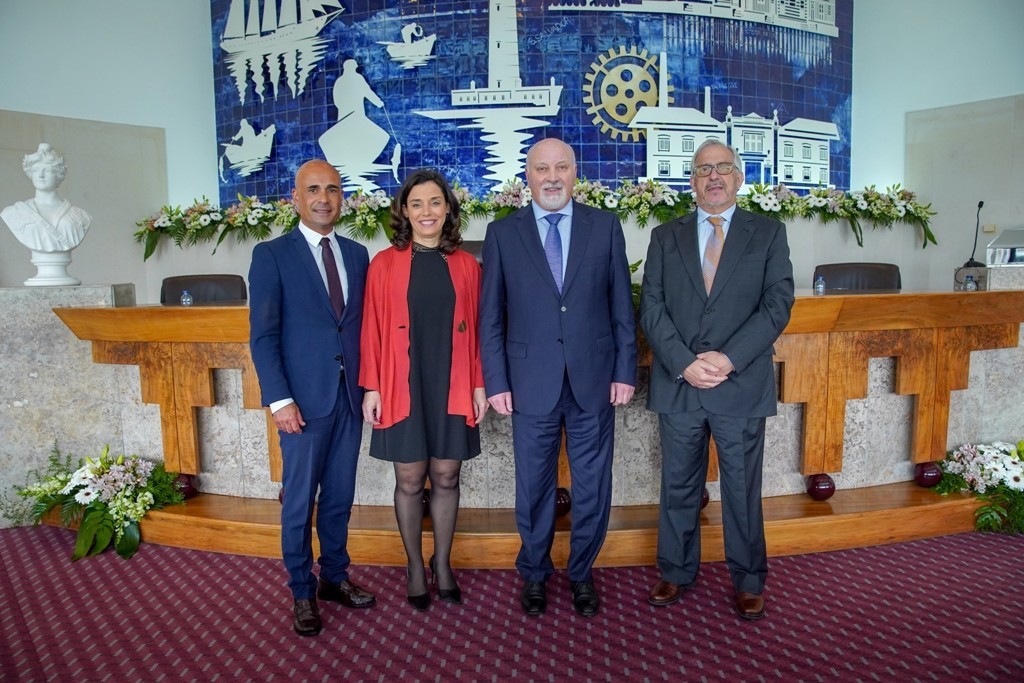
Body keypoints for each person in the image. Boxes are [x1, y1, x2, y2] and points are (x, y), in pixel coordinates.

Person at [479, 138, 637, 617]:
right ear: (526, 175)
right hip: (529, 383)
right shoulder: (503, 233)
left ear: (575, 172)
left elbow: (620, 308)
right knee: (533, 487)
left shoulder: (605, 227)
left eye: (561, 167)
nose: (552, 176)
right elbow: (491, 317)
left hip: (594, 379)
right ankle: (534, 573)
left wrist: (625, 369)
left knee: (593, 485)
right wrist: (497, 380)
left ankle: (582, 574)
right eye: (542, 168)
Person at [639, 139, 794, 620]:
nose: (713, 177)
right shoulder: (666, 236)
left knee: (742, 488)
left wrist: (727, 360)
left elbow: (777, 305)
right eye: (703, 169)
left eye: (722, 168)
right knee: (678, 486)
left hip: (740, 383)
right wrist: (685, 362)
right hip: (680, 382)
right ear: (691, 180)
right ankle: (676, 571)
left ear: (739, 176)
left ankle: (749, 579)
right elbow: (653, 307)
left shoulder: (768, 233)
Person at [249, 159, 375, 636]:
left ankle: (335, 578)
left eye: (334, 189)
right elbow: (263, 336)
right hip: (301, 403)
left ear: (343, 198)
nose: (324, 198)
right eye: (314, 189)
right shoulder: (272, 254)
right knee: (299, 501)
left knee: (340, 497)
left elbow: (363, 328)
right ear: (296, 198)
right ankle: (302, 590)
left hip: (348, 397)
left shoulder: (358, 254)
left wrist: (370, 387)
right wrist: (279, 400)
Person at [359, 169, 487, 611]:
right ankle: (415, 565)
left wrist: (478, 383)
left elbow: (479, 333)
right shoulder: (384, 264)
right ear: (405, 211)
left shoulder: (469, 266)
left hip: (451, 381)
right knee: (410, 479)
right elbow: (371, 330)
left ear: (448, 208)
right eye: (417, 204)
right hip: (401, 382)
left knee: (448, 475)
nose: (426, 211)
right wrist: (372, 387)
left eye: (435, 202)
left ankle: (443, 563)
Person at [1, 143, 91, 253]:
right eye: (36, 170)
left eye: (48, 171)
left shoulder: (80, 215)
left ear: (58, 175)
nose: (40, 175)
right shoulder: (14, 212)